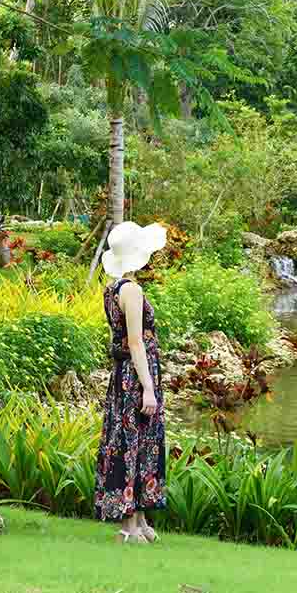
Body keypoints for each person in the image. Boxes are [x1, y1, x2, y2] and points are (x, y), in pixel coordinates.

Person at [94, 221, 168, 544]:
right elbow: (135, 342)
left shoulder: (111, 290)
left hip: (124, 375)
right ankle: (130, 526)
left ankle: (139, 519)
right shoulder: (133, 290)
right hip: (135, 376)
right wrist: (148, 387)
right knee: (135, 444)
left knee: (134, 443)